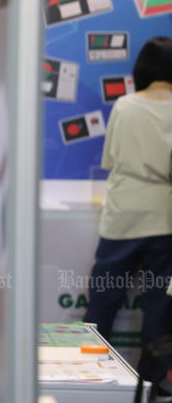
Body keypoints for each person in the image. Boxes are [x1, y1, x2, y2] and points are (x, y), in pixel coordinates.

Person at [83, 37, 172, 392]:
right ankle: (152, 384)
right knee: (157, 306)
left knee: (103, 299)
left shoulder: (125, 106)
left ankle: (88, 375)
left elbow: (110, 159)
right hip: (164, 217)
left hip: (123, 215)